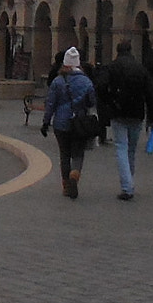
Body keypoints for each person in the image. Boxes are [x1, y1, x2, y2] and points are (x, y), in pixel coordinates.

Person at [99, 39, 153, 199]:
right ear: (130, 50)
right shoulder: (140, 68)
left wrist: (110, 101)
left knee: (121, 148)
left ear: (117, 51)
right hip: (137, 113)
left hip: (119, 112)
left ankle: (127, 186)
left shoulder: (112, 67)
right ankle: (129, 182)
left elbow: (101, 86)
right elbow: (151, 92)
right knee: (131, 149)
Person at [40, 48, 99, 199]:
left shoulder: (58, 81)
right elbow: (92, 101)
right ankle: (75, 174)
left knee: (64, 154)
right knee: (78, 154)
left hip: (61, 123)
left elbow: (51, 104)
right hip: (79, 122)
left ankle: (66, 184)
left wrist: (46, 122)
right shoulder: (86, 81)